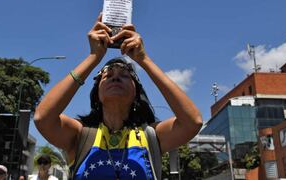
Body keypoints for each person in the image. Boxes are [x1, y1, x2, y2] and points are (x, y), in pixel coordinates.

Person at [34, 14, 203, 179]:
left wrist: (144, 59)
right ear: (96, 94)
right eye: (107, 75)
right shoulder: (81, 134)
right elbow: (43, 118)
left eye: (124, 75)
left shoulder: (151, 136)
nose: (115, 77)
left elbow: (192, 122)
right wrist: (93, 58)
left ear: (136, 92)